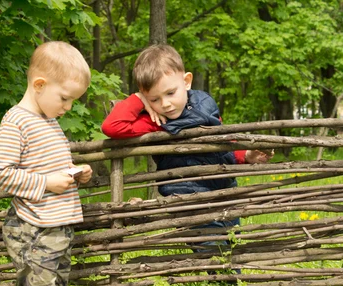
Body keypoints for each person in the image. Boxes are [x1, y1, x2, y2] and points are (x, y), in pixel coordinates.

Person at [101, 44, 272, 269]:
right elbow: (112, 127)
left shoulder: (204, 106)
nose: (166, 104)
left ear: (187, 81)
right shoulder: (155, 121)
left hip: (225, 191)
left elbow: (222, 143)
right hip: (191, 201)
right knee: (213, 252)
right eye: (154, 99)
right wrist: (137, 99)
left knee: (230, 243)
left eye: (171, 93)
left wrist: (245, 155)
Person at [0, 41, 93, 286]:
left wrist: (75, 172)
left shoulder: (47, 121)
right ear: (39, 85)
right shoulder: (17, 121)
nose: (68, 106)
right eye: (64, 98)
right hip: (35, 230)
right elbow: (0, 173)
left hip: (55, 228)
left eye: (72, 101)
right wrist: (47, 183)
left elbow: (47, 167)